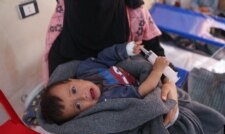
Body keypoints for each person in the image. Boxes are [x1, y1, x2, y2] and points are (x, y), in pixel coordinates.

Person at [40, 41, 178, 126]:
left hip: (136, 65)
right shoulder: (109, 100)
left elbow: (105, 57)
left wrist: (125, 50)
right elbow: (143, 90)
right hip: (147, 83)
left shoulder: (86, 70)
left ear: (72, 79)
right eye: (77, 106)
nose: (83, 96)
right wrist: (157, 71)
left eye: (74, 90)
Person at [43, 0, 169, 84]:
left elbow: (157, 55)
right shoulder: (62, 23)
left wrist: (169, 83)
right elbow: (55, 99)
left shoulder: (135, 14)